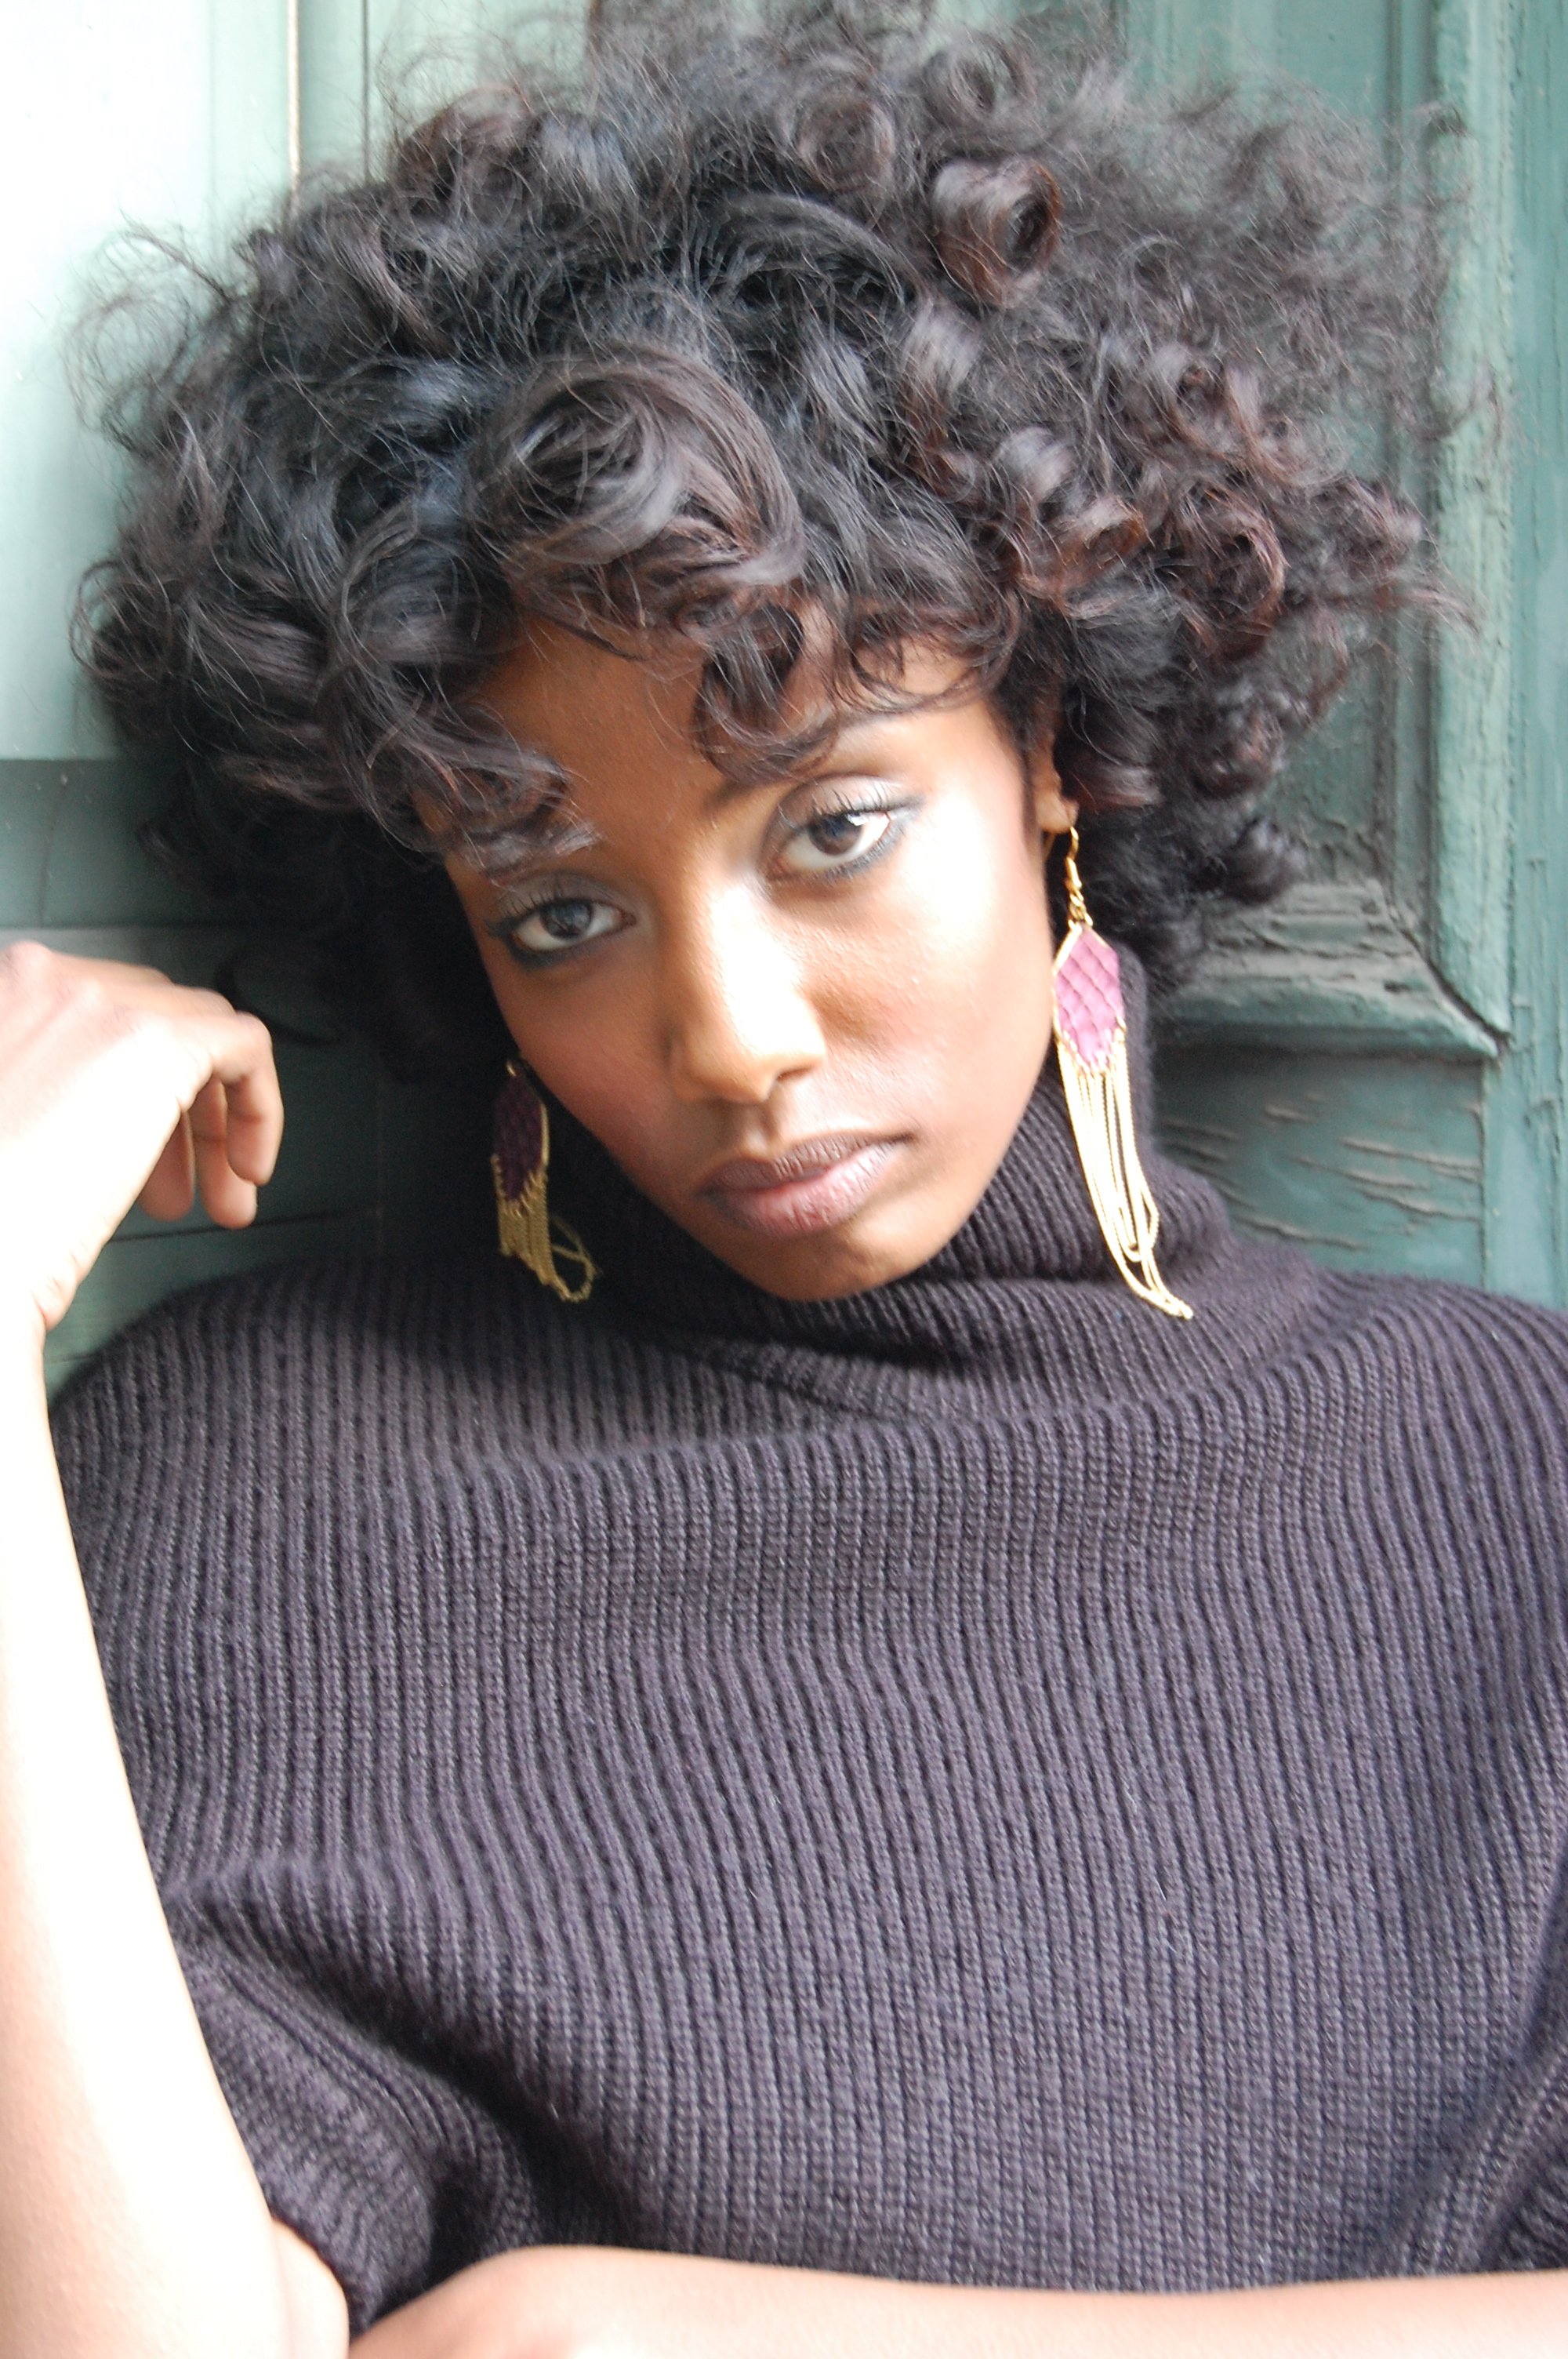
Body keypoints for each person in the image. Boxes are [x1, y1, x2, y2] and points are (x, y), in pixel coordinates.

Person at [1, 5, 1564, 2354]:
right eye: (562, 912)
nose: (725, 1037)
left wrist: (578, 2339)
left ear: (1051, 741)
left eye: (832, 829)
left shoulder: (1507, 1483)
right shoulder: (249, 1495)